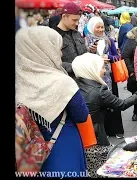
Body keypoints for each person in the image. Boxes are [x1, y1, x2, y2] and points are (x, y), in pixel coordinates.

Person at [15, 26, 89, 176]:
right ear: (43, 50)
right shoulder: (62, 83)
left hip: (26, 153)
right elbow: (81, 115)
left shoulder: (19, 81)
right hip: (61, 146)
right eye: (58, 48)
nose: (61, 53)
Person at [71, 53, 137, 177]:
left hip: (78, 137)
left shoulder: (75, 84)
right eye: (102, 67)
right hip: (95, 139)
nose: (105, 70)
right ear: (92, 69)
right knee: (102, 167)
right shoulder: (99, 91)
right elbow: (121, 105)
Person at [85, 16, 124, 139]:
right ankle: (100, 132)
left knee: (113, 102)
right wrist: (92, 53)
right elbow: (83, 58)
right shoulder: (86, 41)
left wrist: (109, 58)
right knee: (98, 105)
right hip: (93, 77)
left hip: (108, 76)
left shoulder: (109, 40)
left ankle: (115, 130)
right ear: (92, 28)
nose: (101, 29)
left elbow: (117, 57)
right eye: (98, 27)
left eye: (102, 27)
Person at [121, 19, 137, 121]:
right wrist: (131, 70)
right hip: (136, 71)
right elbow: (125, 55)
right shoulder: (131, 39)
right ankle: (136, 112)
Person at [53, 2, 87, 79]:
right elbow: (53, 63)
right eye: (74, 20)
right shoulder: (53, 36)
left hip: (83, 80)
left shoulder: (77, 34)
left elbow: (84, 53)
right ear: (64, 17)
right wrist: (74, 67)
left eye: (78, 20)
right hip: (66, 82)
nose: (77, 23)